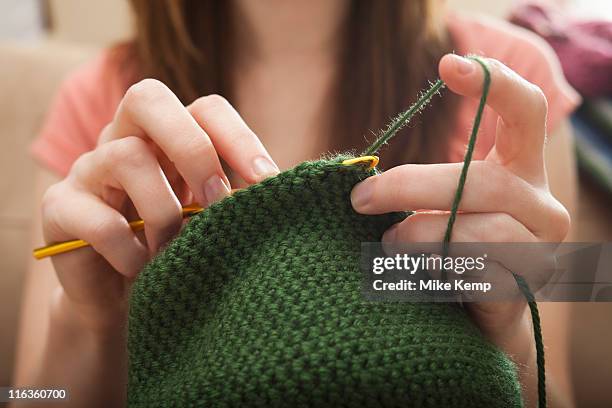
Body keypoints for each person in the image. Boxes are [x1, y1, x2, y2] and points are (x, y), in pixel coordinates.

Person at [13, 1, 580, 407]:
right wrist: (89, 322)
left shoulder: (507, 84)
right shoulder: (96, 102)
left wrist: (509, 334)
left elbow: (563, 392)